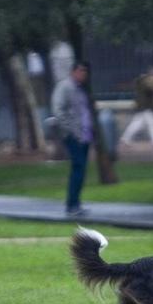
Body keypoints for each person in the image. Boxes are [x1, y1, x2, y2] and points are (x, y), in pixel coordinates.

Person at [51, 61, 94, 217]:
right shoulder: (65, 87)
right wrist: (70, 131)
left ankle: (76, 203)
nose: (84, 75)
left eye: (85, 72)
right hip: (74, 135)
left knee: (81, 170)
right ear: (74, 71)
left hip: (84, 135)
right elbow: (58, 110)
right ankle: (71, 204)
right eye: (81, 71)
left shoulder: (80, 89)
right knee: (78, 168)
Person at [120, 66, 153, 149]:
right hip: (144, 107)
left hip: (144, 106)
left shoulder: (146, 80)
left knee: (136, 124)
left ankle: (125, 139)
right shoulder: (145, 81)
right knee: (152, 123)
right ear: (149, 73)